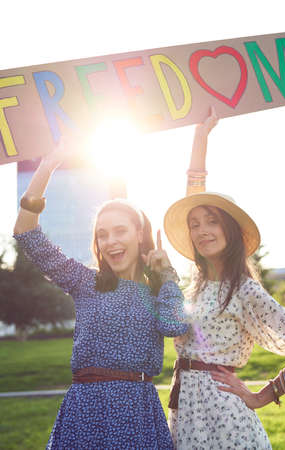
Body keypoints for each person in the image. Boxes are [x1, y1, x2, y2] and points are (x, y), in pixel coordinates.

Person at [13, 137, 188, 449]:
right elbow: (27, 233)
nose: (110, 242)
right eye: (102, 234)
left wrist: (166, 275)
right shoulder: (86, 282)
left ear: (139, 233)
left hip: (139, 414)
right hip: (86, 413)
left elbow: (175, 325)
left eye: (120, 231)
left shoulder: (158, 291)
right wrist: (48, 165)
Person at [163, 109, 285, 449]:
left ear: (231, 231)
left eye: (212, 221)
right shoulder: (198, 283)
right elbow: (191, 194)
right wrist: (199, 138)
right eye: (194, 224)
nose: (201, 231)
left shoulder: (244, 290)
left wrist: (264, 395)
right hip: (187, 409)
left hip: (224, 413)